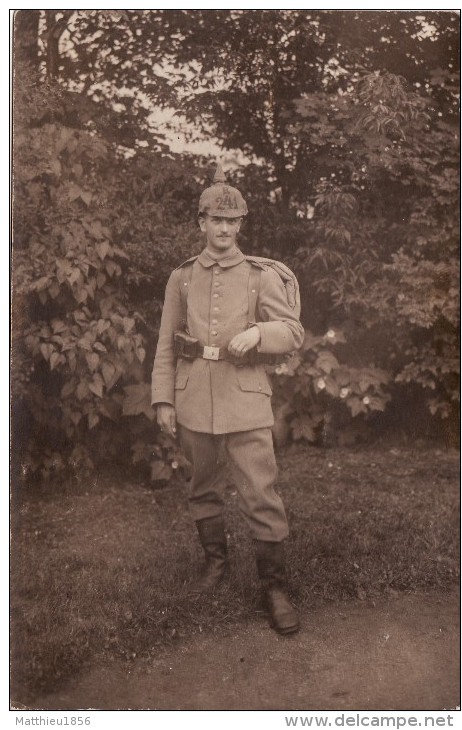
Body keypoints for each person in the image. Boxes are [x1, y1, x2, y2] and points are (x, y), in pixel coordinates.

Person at [151, 164, 304, 635]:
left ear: (241, 225)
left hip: (246, 398)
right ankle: (214, 565)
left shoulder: (261, 276)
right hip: (194, 394)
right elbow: (165, 344)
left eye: (232, 221)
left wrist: (259, 332)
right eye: (215, 220)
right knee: (202, 486)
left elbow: (294, 332)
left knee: (260, 491)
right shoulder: (181, 278)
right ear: (201, 223)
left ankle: (274, 587)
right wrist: (163, 399)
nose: (223, 229)